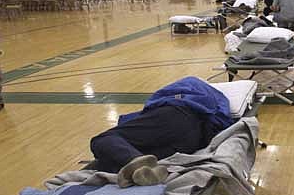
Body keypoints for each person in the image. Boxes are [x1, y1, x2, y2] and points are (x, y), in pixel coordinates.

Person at [90, 77, 233, 186]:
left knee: (103, 139)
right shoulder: (221, 101)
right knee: (139, 153)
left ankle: (135, 162)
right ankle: (139, 171)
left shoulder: (190, 82)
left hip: (175, 115)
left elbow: (155, 101)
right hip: (194, 140)